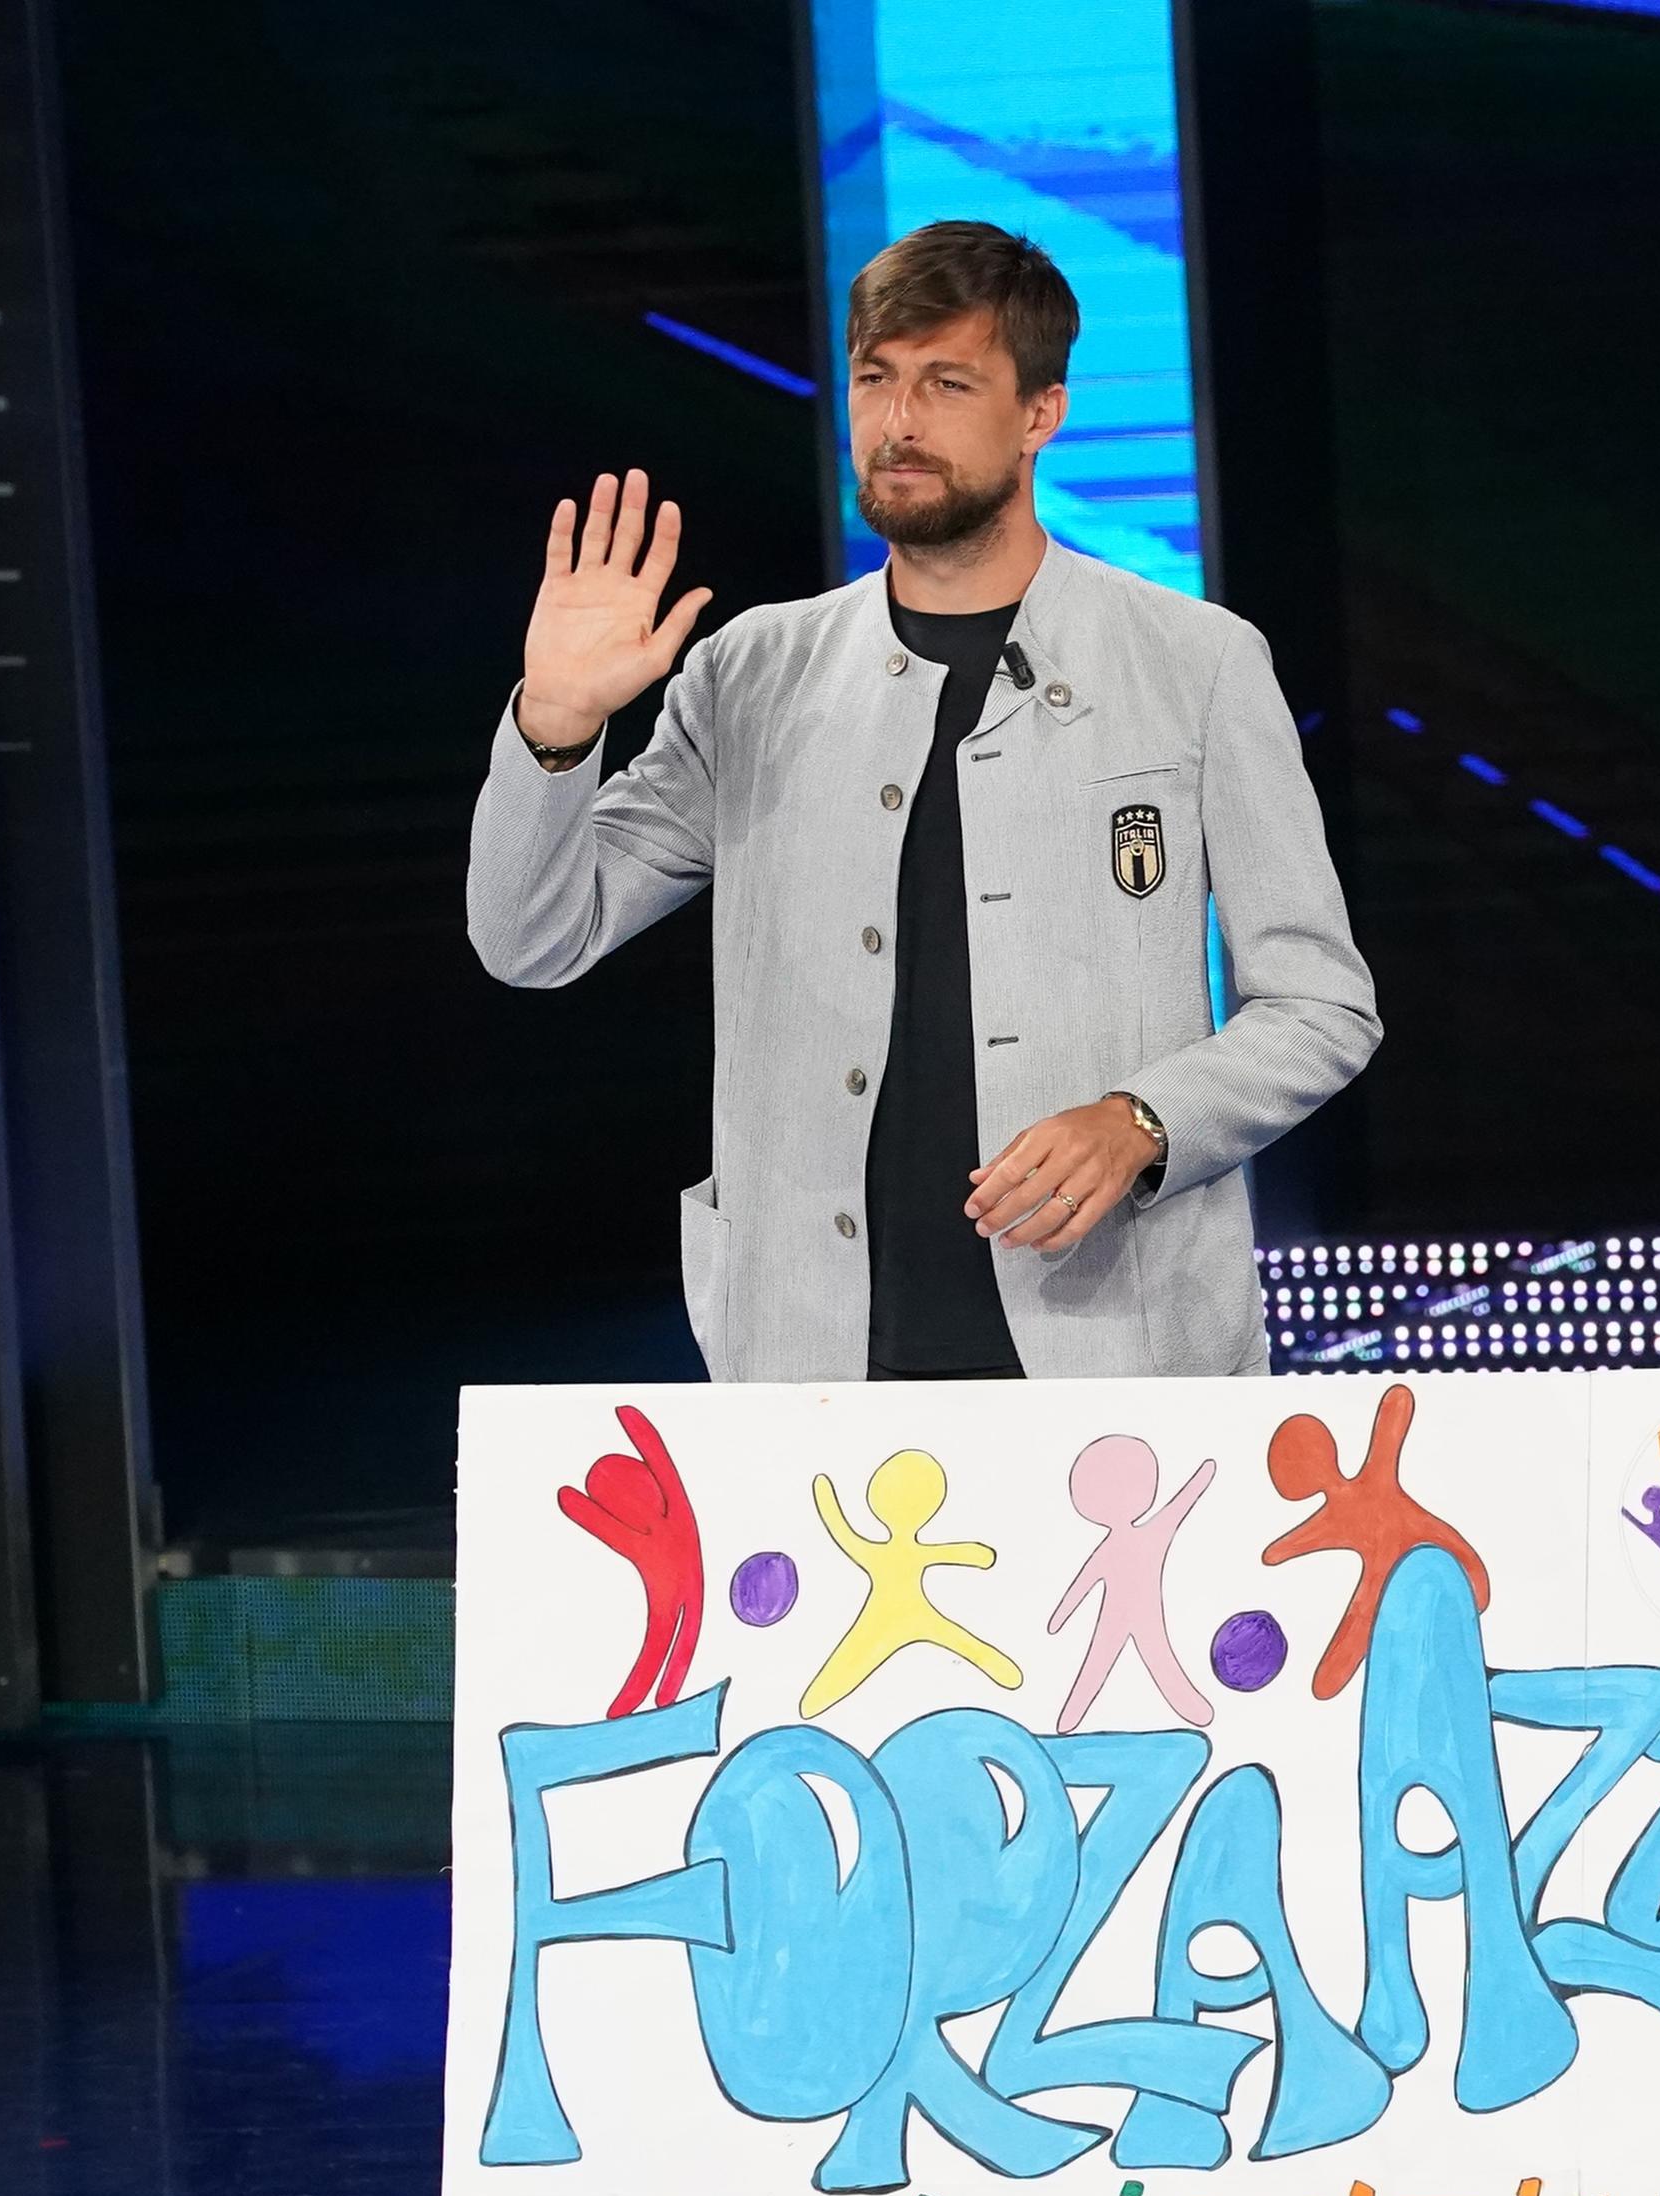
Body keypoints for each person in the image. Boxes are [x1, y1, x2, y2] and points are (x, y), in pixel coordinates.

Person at [468, 221, 1378, 1380]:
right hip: (816, 1363)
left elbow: (1321, 1004)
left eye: (948, 384)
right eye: (876, 379)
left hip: (1116, 1357)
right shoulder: (751, 673)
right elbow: (531, 936)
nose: (900, 422)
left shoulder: (1195, 663)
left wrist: (1144, 1121)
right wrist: (556, 728)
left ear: (1040, 413)